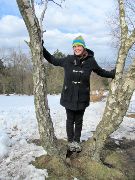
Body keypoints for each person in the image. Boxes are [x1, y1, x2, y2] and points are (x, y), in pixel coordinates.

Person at [42, 36, 115, 152]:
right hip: (69, 96)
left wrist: (113, 73)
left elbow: (101, 72)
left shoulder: (91, 61)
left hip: (82, 97)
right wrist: (42, 48)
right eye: (74, 46)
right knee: (70, 120)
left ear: (84, 47)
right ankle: (70, 141)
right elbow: (53, 60)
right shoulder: (68, 60)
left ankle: (77, 141)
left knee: (79, 120)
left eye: (79, 46)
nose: (77, 48)